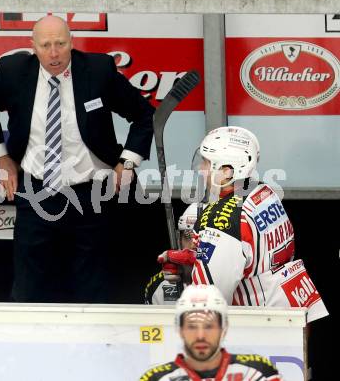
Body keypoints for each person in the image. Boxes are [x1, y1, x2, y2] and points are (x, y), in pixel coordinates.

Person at [0, 15, 154, 303]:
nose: (54, 53)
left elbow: (144, 115)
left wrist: (128, 161)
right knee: (29, 287)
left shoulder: (98, 71)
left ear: (72, 43)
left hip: (91, 195)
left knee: (92, 286)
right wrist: (2, 158)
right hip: (36, 193)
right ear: (32, 46)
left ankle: (95, 344)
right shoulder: (14, 71)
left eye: (60, 44)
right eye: (46, 45)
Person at [158, 126, 328, 323]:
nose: (200, 169)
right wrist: (197, 259)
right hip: (291, 308)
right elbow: (249, 253)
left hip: (261, 327)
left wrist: (190, 277)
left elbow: (208, 299)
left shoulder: (221, 223)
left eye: (206, 163)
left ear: (227, 171)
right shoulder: (261, 190)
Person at [139, 284, 283, 380]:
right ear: (180, 329)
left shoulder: (258, 373)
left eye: (209, 326)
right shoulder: (155, 378)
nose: (200, 335)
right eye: (192, 326)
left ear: (224, 328)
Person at [145, 202, 199, 305]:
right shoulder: (159, 284)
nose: (193, 245)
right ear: (178, 239)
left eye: (201, 238)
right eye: (188, 236)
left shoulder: (228, 279)